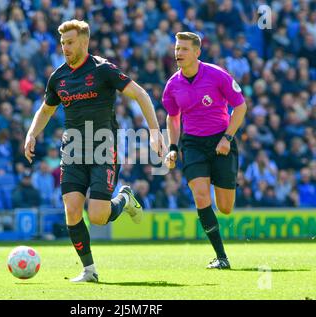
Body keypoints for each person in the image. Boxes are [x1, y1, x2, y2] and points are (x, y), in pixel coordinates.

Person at [24, 20, 165, 282]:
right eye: (62, 43)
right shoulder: (58, 77)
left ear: (84, 42)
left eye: (70, 42)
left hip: (103, 148)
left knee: (98, 216)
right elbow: (46, 110)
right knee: (73, 210)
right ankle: (89, 270)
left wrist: (155, 132)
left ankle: (124, 198)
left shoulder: (103, 70)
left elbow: (141, 94)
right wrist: (32, 134)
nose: (65, 48)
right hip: (73, 150)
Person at [163, 32, 247, 269]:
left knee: (225, 207)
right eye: (177, 49)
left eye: (184, 49)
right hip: (193, 144)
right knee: (200, 196)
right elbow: (172, 117)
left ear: (197, 52)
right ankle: (221, 257)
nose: (178, 53)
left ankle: (223, 183)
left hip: (221, 142)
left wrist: (227, 137)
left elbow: (240, 107)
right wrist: (172, 147)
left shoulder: (217, 75)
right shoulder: (172, 85)